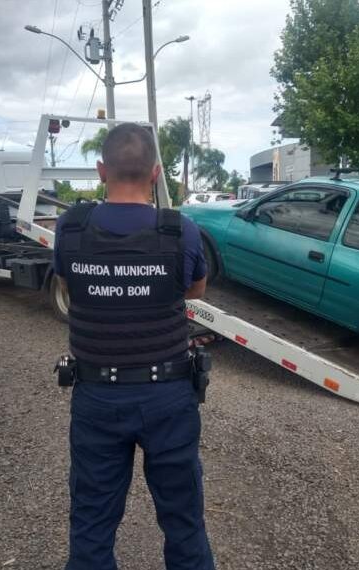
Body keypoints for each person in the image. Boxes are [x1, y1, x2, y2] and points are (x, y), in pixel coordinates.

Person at [52, 123, 215, 570]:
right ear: (156, 172)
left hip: (97, 397)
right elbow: (195, 291)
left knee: (91, 524)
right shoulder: (180, 231)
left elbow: (67, 285)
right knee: (184, 522)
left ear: (101, 170)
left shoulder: (70, 228)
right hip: (169, 397)